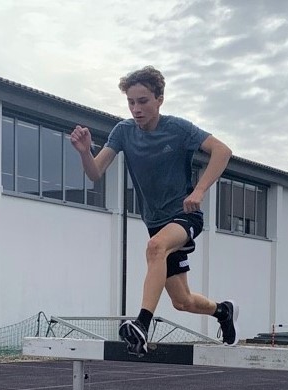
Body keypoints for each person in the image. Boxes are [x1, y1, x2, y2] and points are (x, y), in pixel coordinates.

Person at [69, 67, 238, 356]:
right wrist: (85, 152)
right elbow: (95, 172)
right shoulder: (123, 132)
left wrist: (199, 191)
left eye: (143, 101)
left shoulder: (178, 129)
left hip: (185, 215)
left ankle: (142, 325)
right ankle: (222, 311)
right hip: (156, 222)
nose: (136, 109)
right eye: (131, 102)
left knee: (155, 247)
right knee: (182, 301)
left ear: (159, 100)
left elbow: (223, 151)